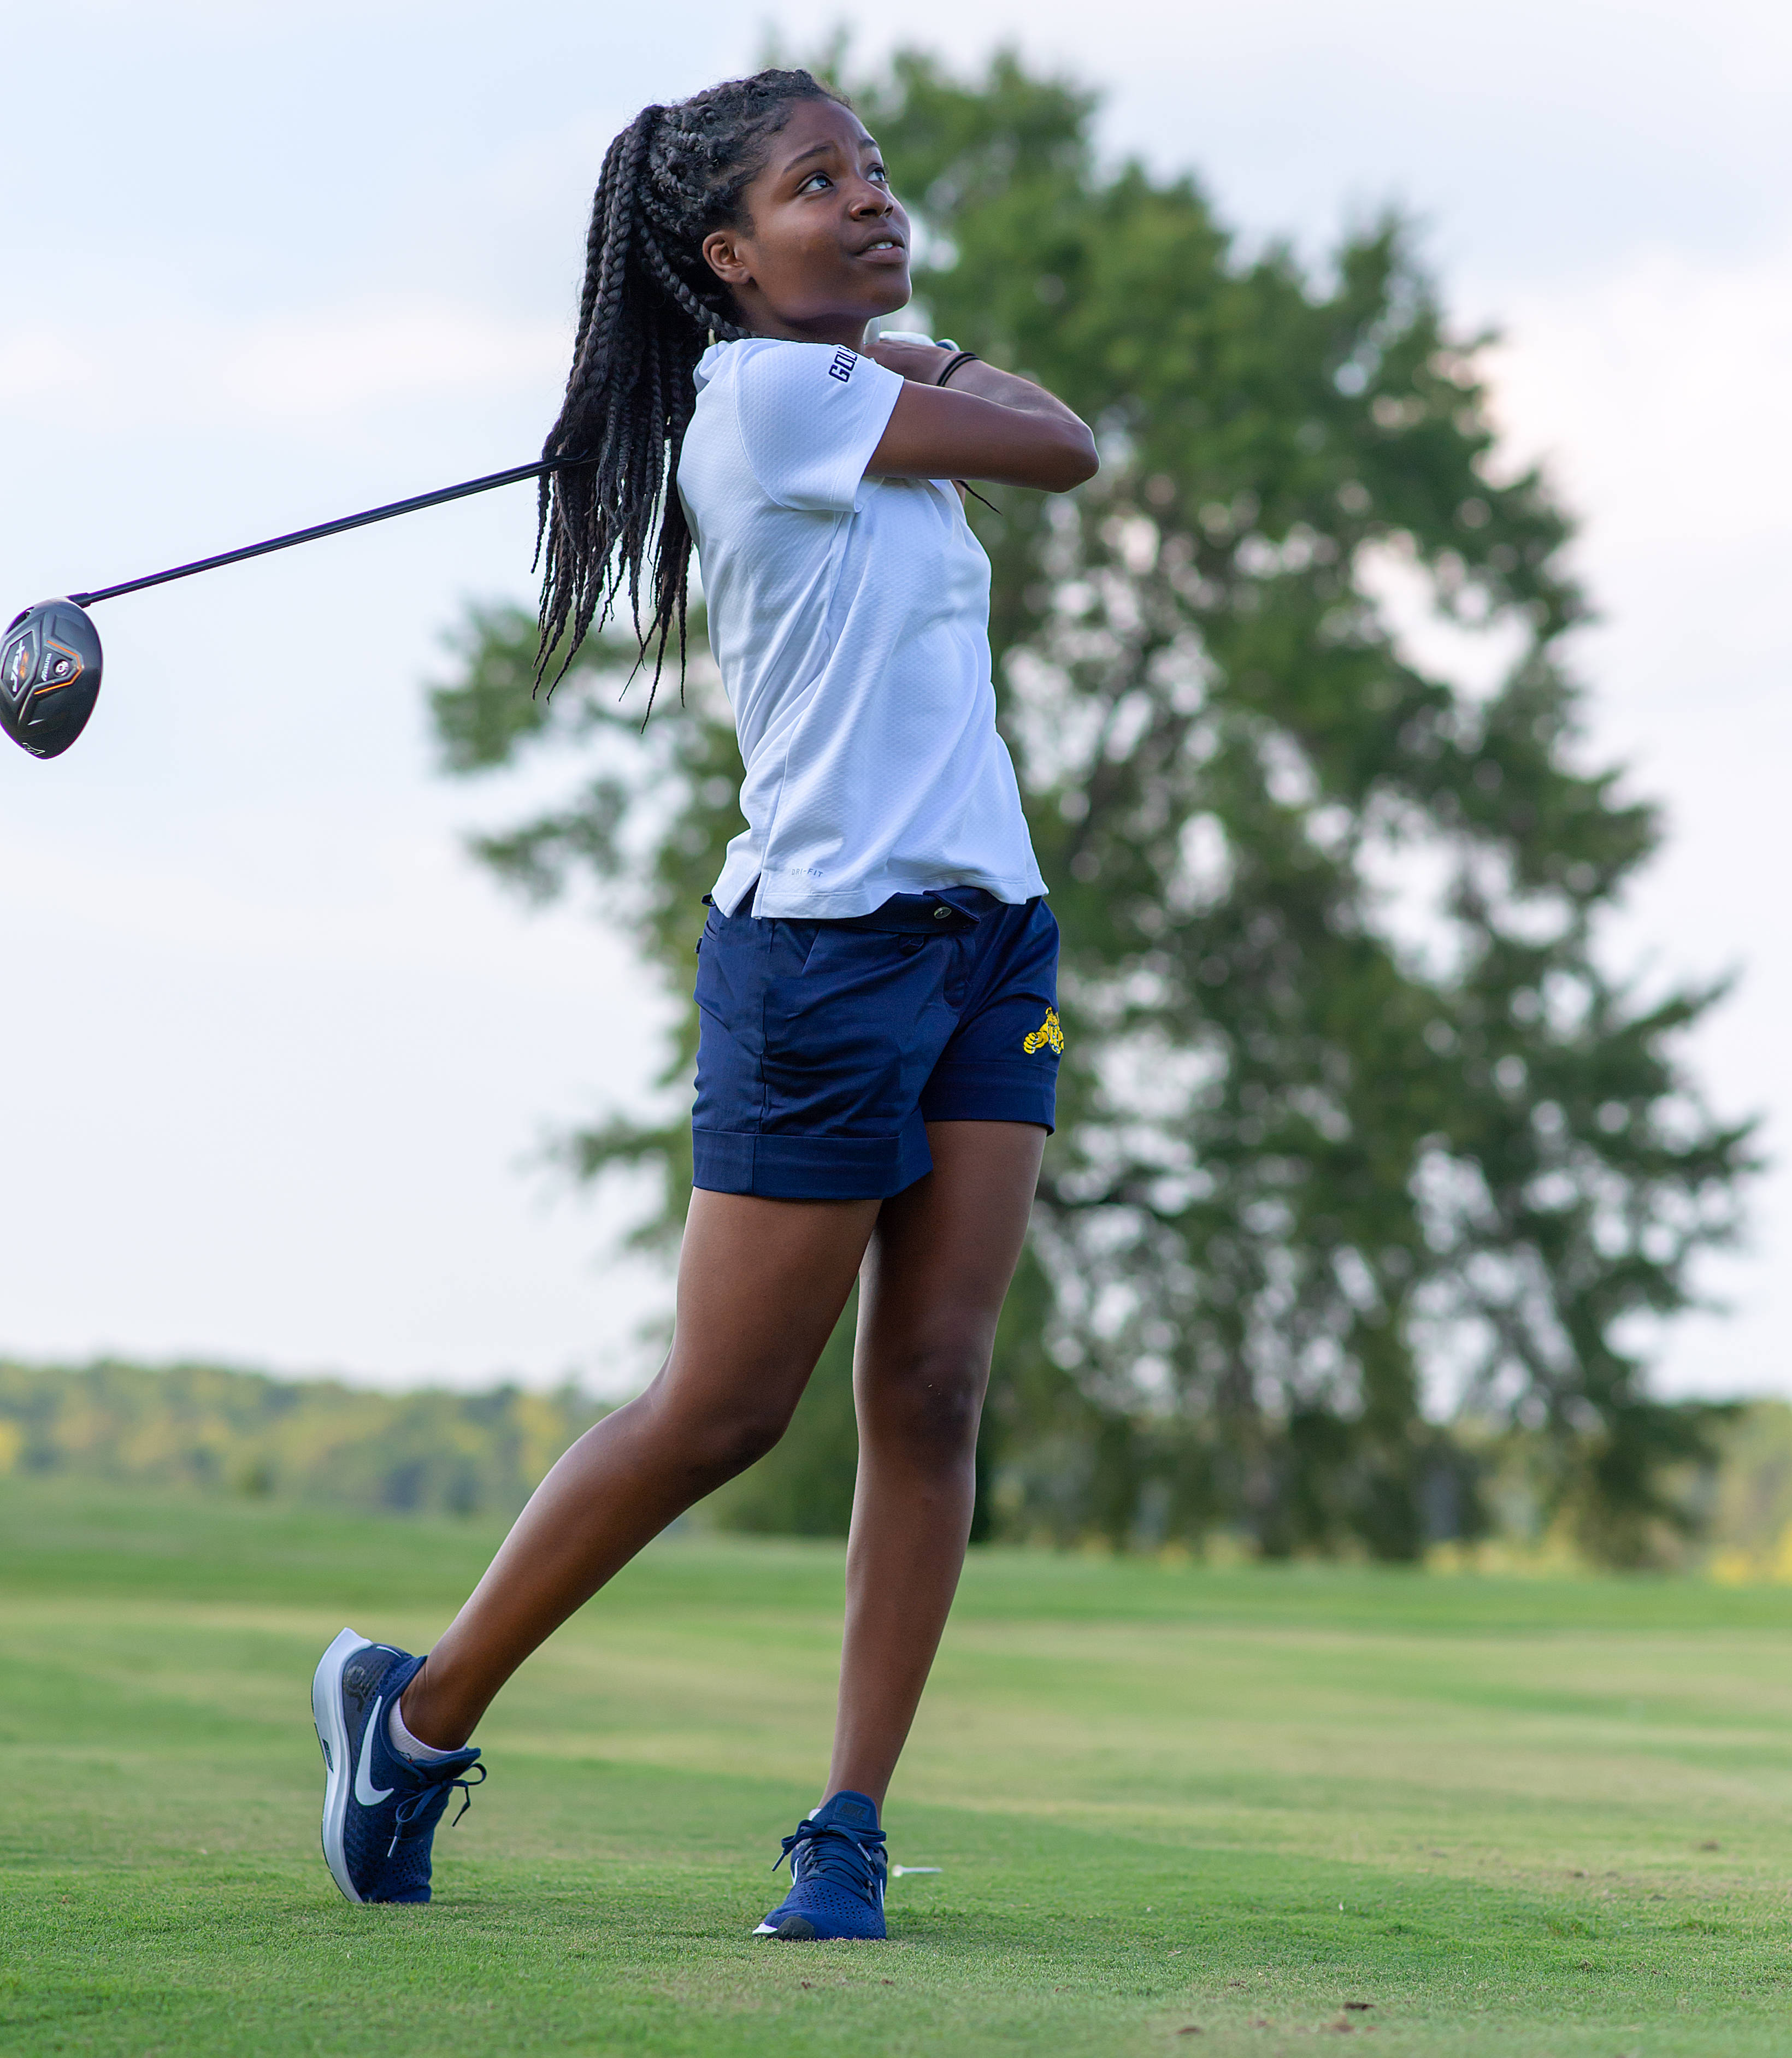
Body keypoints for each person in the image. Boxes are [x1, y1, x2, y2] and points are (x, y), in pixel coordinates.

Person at [310, 66, 1097, 1941]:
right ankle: (411, 1720)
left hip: (992, 935)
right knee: (726, 1412)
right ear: (731, 260)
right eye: (822, 187)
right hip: (820, 961)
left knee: (933, 1383)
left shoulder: (830, 393)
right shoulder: (777, 394)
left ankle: (846, 1830)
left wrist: (919, 363)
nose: (874, 203)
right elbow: (1059, 442)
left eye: (878, 173)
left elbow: (1028, 442)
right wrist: (945, 360)